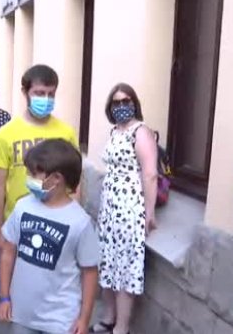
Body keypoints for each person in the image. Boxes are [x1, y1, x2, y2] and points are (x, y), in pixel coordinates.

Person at [0, 139, 100, 334]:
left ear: (56, 179)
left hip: (61, 320)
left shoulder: (79, 221)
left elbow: (90, 272)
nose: (28, 178)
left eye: (33, 174)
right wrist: (4, 297)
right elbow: (8, 252)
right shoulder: (22, 207)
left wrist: (84, 319)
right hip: (22, 314)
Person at [91, 83, 158, 334]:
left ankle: (122, 327)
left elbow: (150, 174)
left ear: (134, 103)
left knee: (125, 268)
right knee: (107, 263)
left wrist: (149, 213)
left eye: (126, 101)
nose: (121, 106)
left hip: (130, 210)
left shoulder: (140, 132)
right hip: (109, 210)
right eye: (116, 102)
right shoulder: (114, 132)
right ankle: (109, 318)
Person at [0, 65, 78, 252]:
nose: (45, 99)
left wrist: (74, 221)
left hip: (57, 225)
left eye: (50, 94)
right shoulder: (5, 134)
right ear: (25, 92)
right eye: (39, 93)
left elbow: (76, 182)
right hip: (17, 226)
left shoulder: (66, 133)